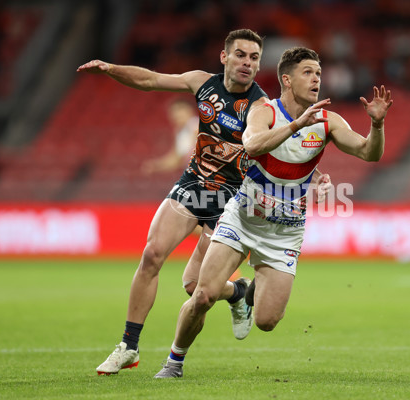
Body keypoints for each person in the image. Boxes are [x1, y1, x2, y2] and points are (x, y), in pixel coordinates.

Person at [77, 31, 331, 376]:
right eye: (240, 55)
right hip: (193, 185)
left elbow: (289, 146)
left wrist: (313, 177)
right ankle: (128, 347)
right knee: (152, 254)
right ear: (224, 57)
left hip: (233, 199)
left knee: (197, 288)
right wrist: (110, 68)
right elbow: (151, 80)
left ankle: (237, 293)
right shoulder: (201, 83)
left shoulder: (261, 107)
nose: (247, 63)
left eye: (254, 58)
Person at [154, 46, 393, 379]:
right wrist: (296, 124)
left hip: (285, 230)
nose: (316, 79)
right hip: (243, 217)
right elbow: (252, 145)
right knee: (203, 293)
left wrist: (377, 126)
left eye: (319, 74)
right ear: (287, 79)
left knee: (266, 321)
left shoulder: (327, 121)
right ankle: (174, 362)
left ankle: (246, 293)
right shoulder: (263, 111)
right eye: (308, 72)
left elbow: (369, 153)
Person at [141, 98, 200, 174]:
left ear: (189, 110)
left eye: (179, 110)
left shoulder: (197, 125)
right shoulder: (180, 132)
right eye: (173, 112)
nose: (175, 115)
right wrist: (156, 166)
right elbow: (175, 160)